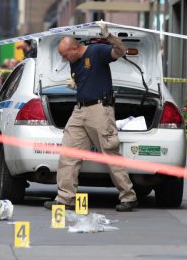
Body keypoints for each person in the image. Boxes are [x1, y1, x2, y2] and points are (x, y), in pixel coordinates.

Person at [43, 22, 138, 212]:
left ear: (74, 48)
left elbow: (120, 51)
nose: (63, 59)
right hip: (80, 111)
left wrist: (108, 36)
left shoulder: (97, 52)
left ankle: (128, 196)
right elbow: (86, 79)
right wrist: (75, 84)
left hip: (99, 110)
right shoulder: (73, 61)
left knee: (110, 152)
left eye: (64, 55)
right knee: (68, 153)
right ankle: (65, 198)